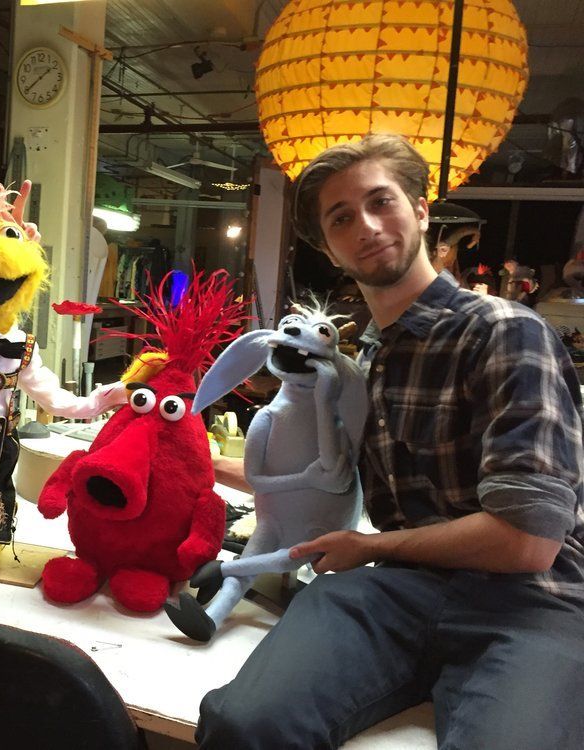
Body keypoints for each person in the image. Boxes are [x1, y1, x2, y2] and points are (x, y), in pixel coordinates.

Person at [197, 134, 584, 749]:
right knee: (245, 725)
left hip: (529, 604)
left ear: (423, 209)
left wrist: (367, 545)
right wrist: (204, 462)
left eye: (382, 202)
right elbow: (327, 476)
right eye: (342, 217)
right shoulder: (371, 359)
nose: (367, 226)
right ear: (328, 247)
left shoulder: (507, 333)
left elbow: (529, 540)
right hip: (399, 589)